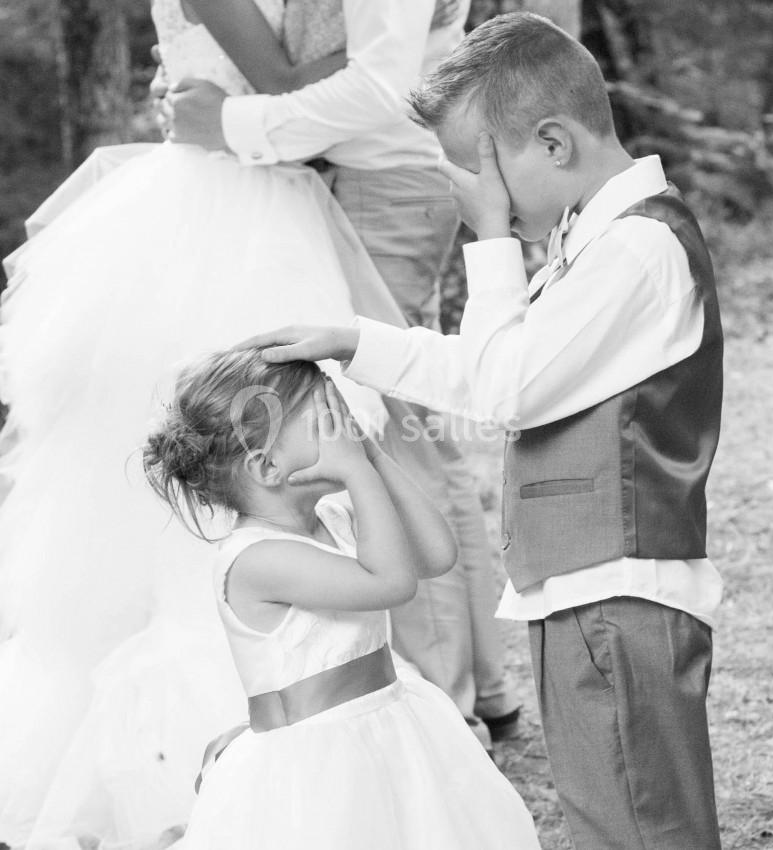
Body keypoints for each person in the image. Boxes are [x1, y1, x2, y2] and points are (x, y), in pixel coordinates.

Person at [0, 2, 475, 848]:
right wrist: (398, 65)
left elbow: (326, 76)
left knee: (357, 407)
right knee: (270, 408)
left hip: (278, 177)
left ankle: (434, 684)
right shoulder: (270, 551)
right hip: (231, 189)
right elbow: (289, 77)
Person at [245, 12, 726, 850]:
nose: (473, 195)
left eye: (479, 170)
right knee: (610, 813)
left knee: (640, 824)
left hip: (616, 583)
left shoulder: (639, 250)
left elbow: (501, 389)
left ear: (552, 142)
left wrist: (493, 240)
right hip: (582, 581)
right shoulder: (595, 237)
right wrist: (357, 340)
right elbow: (492, 368)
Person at [167, 0, 522, 746]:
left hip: (376, 177)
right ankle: (478, 684)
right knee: (414, 440)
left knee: (389, 431)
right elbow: (333, 65)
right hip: (334, 179)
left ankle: (450, 699)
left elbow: (379, 79)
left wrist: (233, 122)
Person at [138, 348, 540, 849]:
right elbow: (391, 584)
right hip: (318, 768)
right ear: (267, 467)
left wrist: (371, 455)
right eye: (325, 422)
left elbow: (436, 554)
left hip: (392, 728)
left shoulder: (334, 517)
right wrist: (357, 472)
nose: (343, 429)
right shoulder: (256, 559)